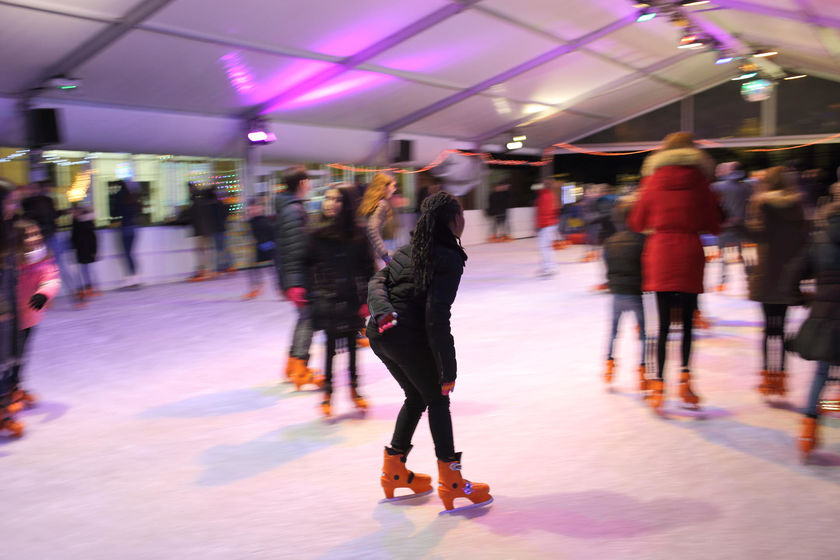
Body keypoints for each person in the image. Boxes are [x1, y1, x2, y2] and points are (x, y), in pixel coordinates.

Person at [367, 191, 492, 514]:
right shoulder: (448, 257)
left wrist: (382, 313)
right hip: (403, 336)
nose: (463, 219)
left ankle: (394, 470)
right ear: (452, 221)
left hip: (381, 335)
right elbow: (437, 318)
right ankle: (451, 481)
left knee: (416, 395)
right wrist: (447, 371)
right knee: (437, 398)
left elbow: (377, 281)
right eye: (461, 214)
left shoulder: (411, 249)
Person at [628, 132, 721, 415]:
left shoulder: (652, 180)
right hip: (690, 253)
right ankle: (685, 380)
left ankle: (657, 386)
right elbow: (714, 223)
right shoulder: (701, 181)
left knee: (662, 327)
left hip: (660, 255)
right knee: (689, 324)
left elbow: (637, 220)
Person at [306, 186, 374, 417]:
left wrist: (367, 300)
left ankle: (355, 389)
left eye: (336, 199)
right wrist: (311, 292)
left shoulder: (357, 235)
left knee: (353, 345)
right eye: (326, 198)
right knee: (330, 346)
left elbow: (368, 270)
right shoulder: (317, 234)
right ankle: (327, 392)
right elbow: (306, 265)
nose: (329, 203)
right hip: (327, 298)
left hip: (352, 298)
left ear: (346, 204)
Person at [745, 166, 809, 399]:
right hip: (787, 276)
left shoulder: (763, 204)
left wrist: (740, 227)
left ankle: (766, 377)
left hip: (767, 273)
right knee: (780, 328)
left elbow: (759, 235)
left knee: (767, 328)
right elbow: (805, 241)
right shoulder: (798, 206)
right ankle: (780, 378)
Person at [791, 193, 840, 461]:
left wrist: (803, 298)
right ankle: (832, 406)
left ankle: (808, 431)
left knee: (821, 372)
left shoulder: (819, 239)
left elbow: (795, 273)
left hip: (824, 315)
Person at [8, 220, 60, 414]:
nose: (34, 238)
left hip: (29, 315)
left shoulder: (44, 258)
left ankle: (15, 387)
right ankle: (7, 390)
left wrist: (43, 294)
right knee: (8, 356)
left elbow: (51, 279)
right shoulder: (10, 260)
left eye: (36, 233)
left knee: (21, 355)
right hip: (8, 317)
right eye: (28, 235)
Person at [275, 169, 320, 387]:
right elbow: (297, 249)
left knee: (304, 318)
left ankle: (292, 365)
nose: (310, 184)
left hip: (294, 277)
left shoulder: (289, 207)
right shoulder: (293, 210)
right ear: (302, 182)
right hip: (299, 278)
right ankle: (300, 368)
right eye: (308, 180)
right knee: (308, 319)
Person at [603, 200, 647, 392]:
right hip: (637, 293)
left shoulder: (609, 242)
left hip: (617, 293)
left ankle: (609, 366)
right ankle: (643, 371)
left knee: (613, 332)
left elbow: (607, 268)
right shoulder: (642, 240)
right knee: (645, 335)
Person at [21, 181, 77, 302]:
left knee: (41, 268)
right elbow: (52, 215)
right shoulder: (43, 201)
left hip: (44, 239)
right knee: (56, 267)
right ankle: (74, 295)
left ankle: (50, 296)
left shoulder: (30, 202)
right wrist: (65, 212)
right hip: (47, 237)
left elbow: (43, 216)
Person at [0, 181, 23, 437]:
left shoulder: (8, 227)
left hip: (8, 296)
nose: (14, 207)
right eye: (9, 202)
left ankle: (4, 407)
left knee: (7, 354)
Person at [712, 161, 752, 291]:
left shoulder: (717, 187)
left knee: (723, 255)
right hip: (741, 224)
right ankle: (750, 279)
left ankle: (723, 281)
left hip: (725, 225)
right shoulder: (746, 187)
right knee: (745, 254)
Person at [359, 172, 398, 267]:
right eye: (392, 186)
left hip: (367, 252)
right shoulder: (382, 204)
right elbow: (372, 229)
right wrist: (385, 256)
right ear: (384, 187)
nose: (394, 189)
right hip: (378, 256)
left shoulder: (371, 203)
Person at [243, 195, 275, 300]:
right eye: (249, 210)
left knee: (273, 269)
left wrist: (272, 244)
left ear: (260, 208)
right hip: (260, 247)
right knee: (252, 268)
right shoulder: (252, 222)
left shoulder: (264, 220)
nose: (251, 211)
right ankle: (256, 287)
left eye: (253, 208)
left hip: (268, 247)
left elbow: (271, 233)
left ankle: (281, 289)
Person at [112, 181, 141, 288]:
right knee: (130, 253)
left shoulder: (120, 197)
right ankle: (135, 277)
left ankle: (132, 278)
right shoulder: (132, 198)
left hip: (125, 228)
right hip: (133, 228)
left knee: (127, 253)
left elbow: (116, 212)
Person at [70, 203, 99, 299]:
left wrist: (94, 250)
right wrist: (73, 246)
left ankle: (91, 288)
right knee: (84, 269)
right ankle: (88, 288)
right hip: (80, 249)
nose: (74, 213)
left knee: (88, 269)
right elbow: (74, 236)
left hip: (87, 249)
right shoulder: (75, 222)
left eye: (75, 211)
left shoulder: (86, 222)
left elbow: (93, 237)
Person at [533, 181, 559, 277]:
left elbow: (543, 213)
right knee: (547, 247)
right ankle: (549, 267)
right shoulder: (551, 195)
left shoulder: (544, 196)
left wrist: (538, 227)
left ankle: (549, 268)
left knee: (544, 247)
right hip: (550, 224)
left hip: (546, 225)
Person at [209, 187, 234, 275]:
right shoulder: (221, 204)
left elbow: (211, 219)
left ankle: (220, 267)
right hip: (222, 228)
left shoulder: (211, 206)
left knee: (218, 249)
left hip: (216, 230)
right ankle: (229, 266)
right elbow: (226, 214)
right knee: (224, 248)